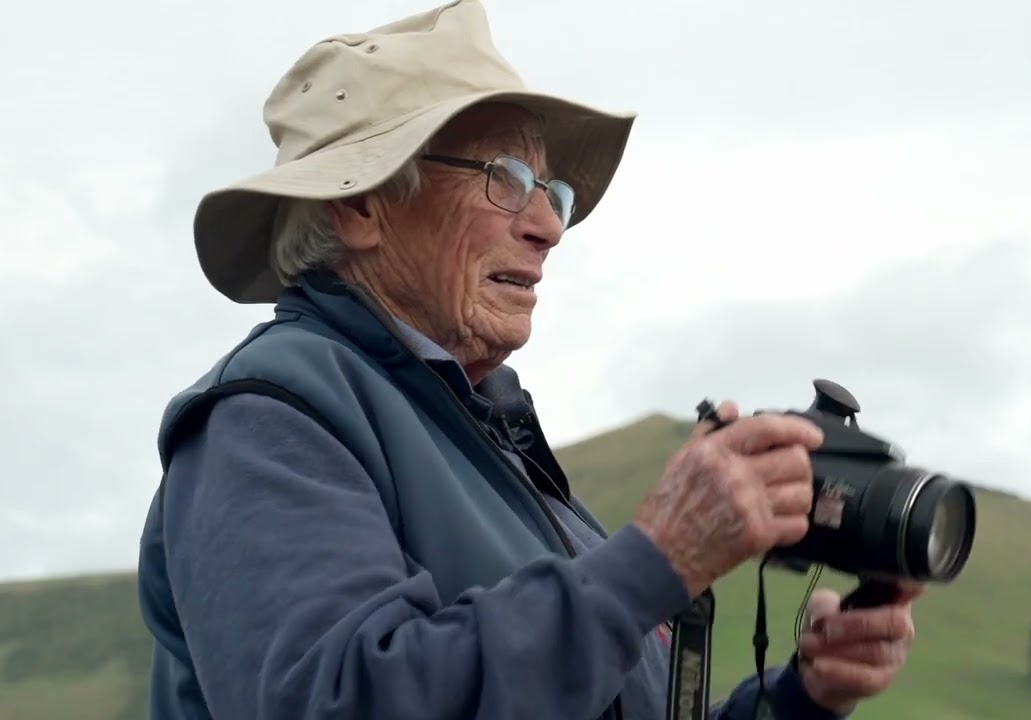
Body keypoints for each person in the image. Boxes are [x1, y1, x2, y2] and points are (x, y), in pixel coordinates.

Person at [135, 1, 922, 718]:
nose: (548, 224)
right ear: (360, 204)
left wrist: (799, 700)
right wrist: (654, 564)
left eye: (553, 191)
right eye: (505, 179)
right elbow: (346, 703)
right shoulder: (266, 423)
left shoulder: (490, 444)